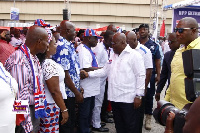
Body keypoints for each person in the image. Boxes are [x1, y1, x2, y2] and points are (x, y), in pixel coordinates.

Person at [81, 33, 146, 133]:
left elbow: (141, 76)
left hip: (128, 99)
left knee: (130, 126)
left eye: (114, 43)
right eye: (111, 43)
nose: (112, 45)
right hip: (115, 98)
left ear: (123, 42)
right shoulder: (113, 55)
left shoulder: (134, 56)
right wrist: (88, 74)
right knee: (119, 126)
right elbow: (104, 71)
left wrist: (139, 95)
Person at [4, 25, 49, 133]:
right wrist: (27, 126)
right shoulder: (19, 61)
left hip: (32, 109)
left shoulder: (32, 57)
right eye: (46, 42)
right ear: (39, 42)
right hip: (24, 116)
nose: (48, 45)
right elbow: (19, 98)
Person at [52, 20, 83, 133]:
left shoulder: (68, 45)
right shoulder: (63, 47)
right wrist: (77, 92)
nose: (76, 33)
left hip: (71, 92)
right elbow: (64, 75)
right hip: (66, 94)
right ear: (67, 31)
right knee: (66, 124)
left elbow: (72, 70)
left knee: (71, 122)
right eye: (74, 31)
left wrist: (78, 87)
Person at [165, 17, 200, 110]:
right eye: (176, 30)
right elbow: (174, 76)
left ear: (193, 31)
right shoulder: (179, 51)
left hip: (193, 110)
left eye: (181, 30)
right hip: (174, 107)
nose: (177, 33)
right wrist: (166, 100)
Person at [37, 35, 69, 132]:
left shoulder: (45, 62)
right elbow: (54, 91)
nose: (56, 46)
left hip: (48, 104)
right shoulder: (48, 64)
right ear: (47, 47)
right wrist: (64, 110)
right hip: (50, 105)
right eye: (54, 43)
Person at [126, 31, 153, 133]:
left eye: (128, 42)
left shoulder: (144, 51)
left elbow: (148, 71)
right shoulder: (126, 50)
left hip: (140, 88)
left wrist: (142, 90)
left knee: (137, 115)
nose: (126, 44)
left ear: (134, 40)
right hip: (129, 87)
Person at [77, 29, 101, 133]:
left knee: (89, 111)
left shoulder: (88, 49)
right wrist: (102, 69)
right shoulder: (83, 50)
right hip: (86, 87)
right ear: (88, 38)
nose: (97, 41)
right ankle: (83, 130)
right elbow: (85, 68)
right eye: (95, 38)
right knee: (84, 113)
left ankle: (86, 129)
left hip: (91, 87)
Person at [91, 30, 115, 132]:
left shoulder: (106, 48)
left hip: (103, 79)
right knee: (97, 103)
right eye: (110, 40)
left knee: (100, 102)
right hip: (98, 79)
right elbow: (95, 65)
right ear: (104, 39)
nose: (112, 42)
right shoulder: (99, 49)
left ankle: (97, 121)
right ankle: (96, 124)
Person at [139, 23, 161, 130]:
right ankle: (137, 117)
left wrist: (158, 75)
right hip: (137, 76)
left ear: (148, 31)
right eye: (141, 30)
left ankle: (148, 118)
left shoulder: (154, 45)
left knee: (148, 97)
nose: (142, 31)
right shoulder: (134, 44)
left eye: (145, 29)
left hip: (150, 75)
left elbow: (157, 61)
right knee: (137, 96)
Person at [155, 33, 180, 101]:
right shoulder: (167, 55)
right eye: (168, 41)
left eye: (170, 41)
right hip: (170, 91)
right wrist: (158, 91)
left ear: (179, 40)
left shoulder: (187, 54)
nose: (168, 44)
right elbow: (164, 75)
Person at [0, 62, 18, 133]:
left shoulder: (1, 66)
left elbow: (17, 93)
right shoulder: (19, 61)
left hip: (10, 128)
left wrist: (22, 117)